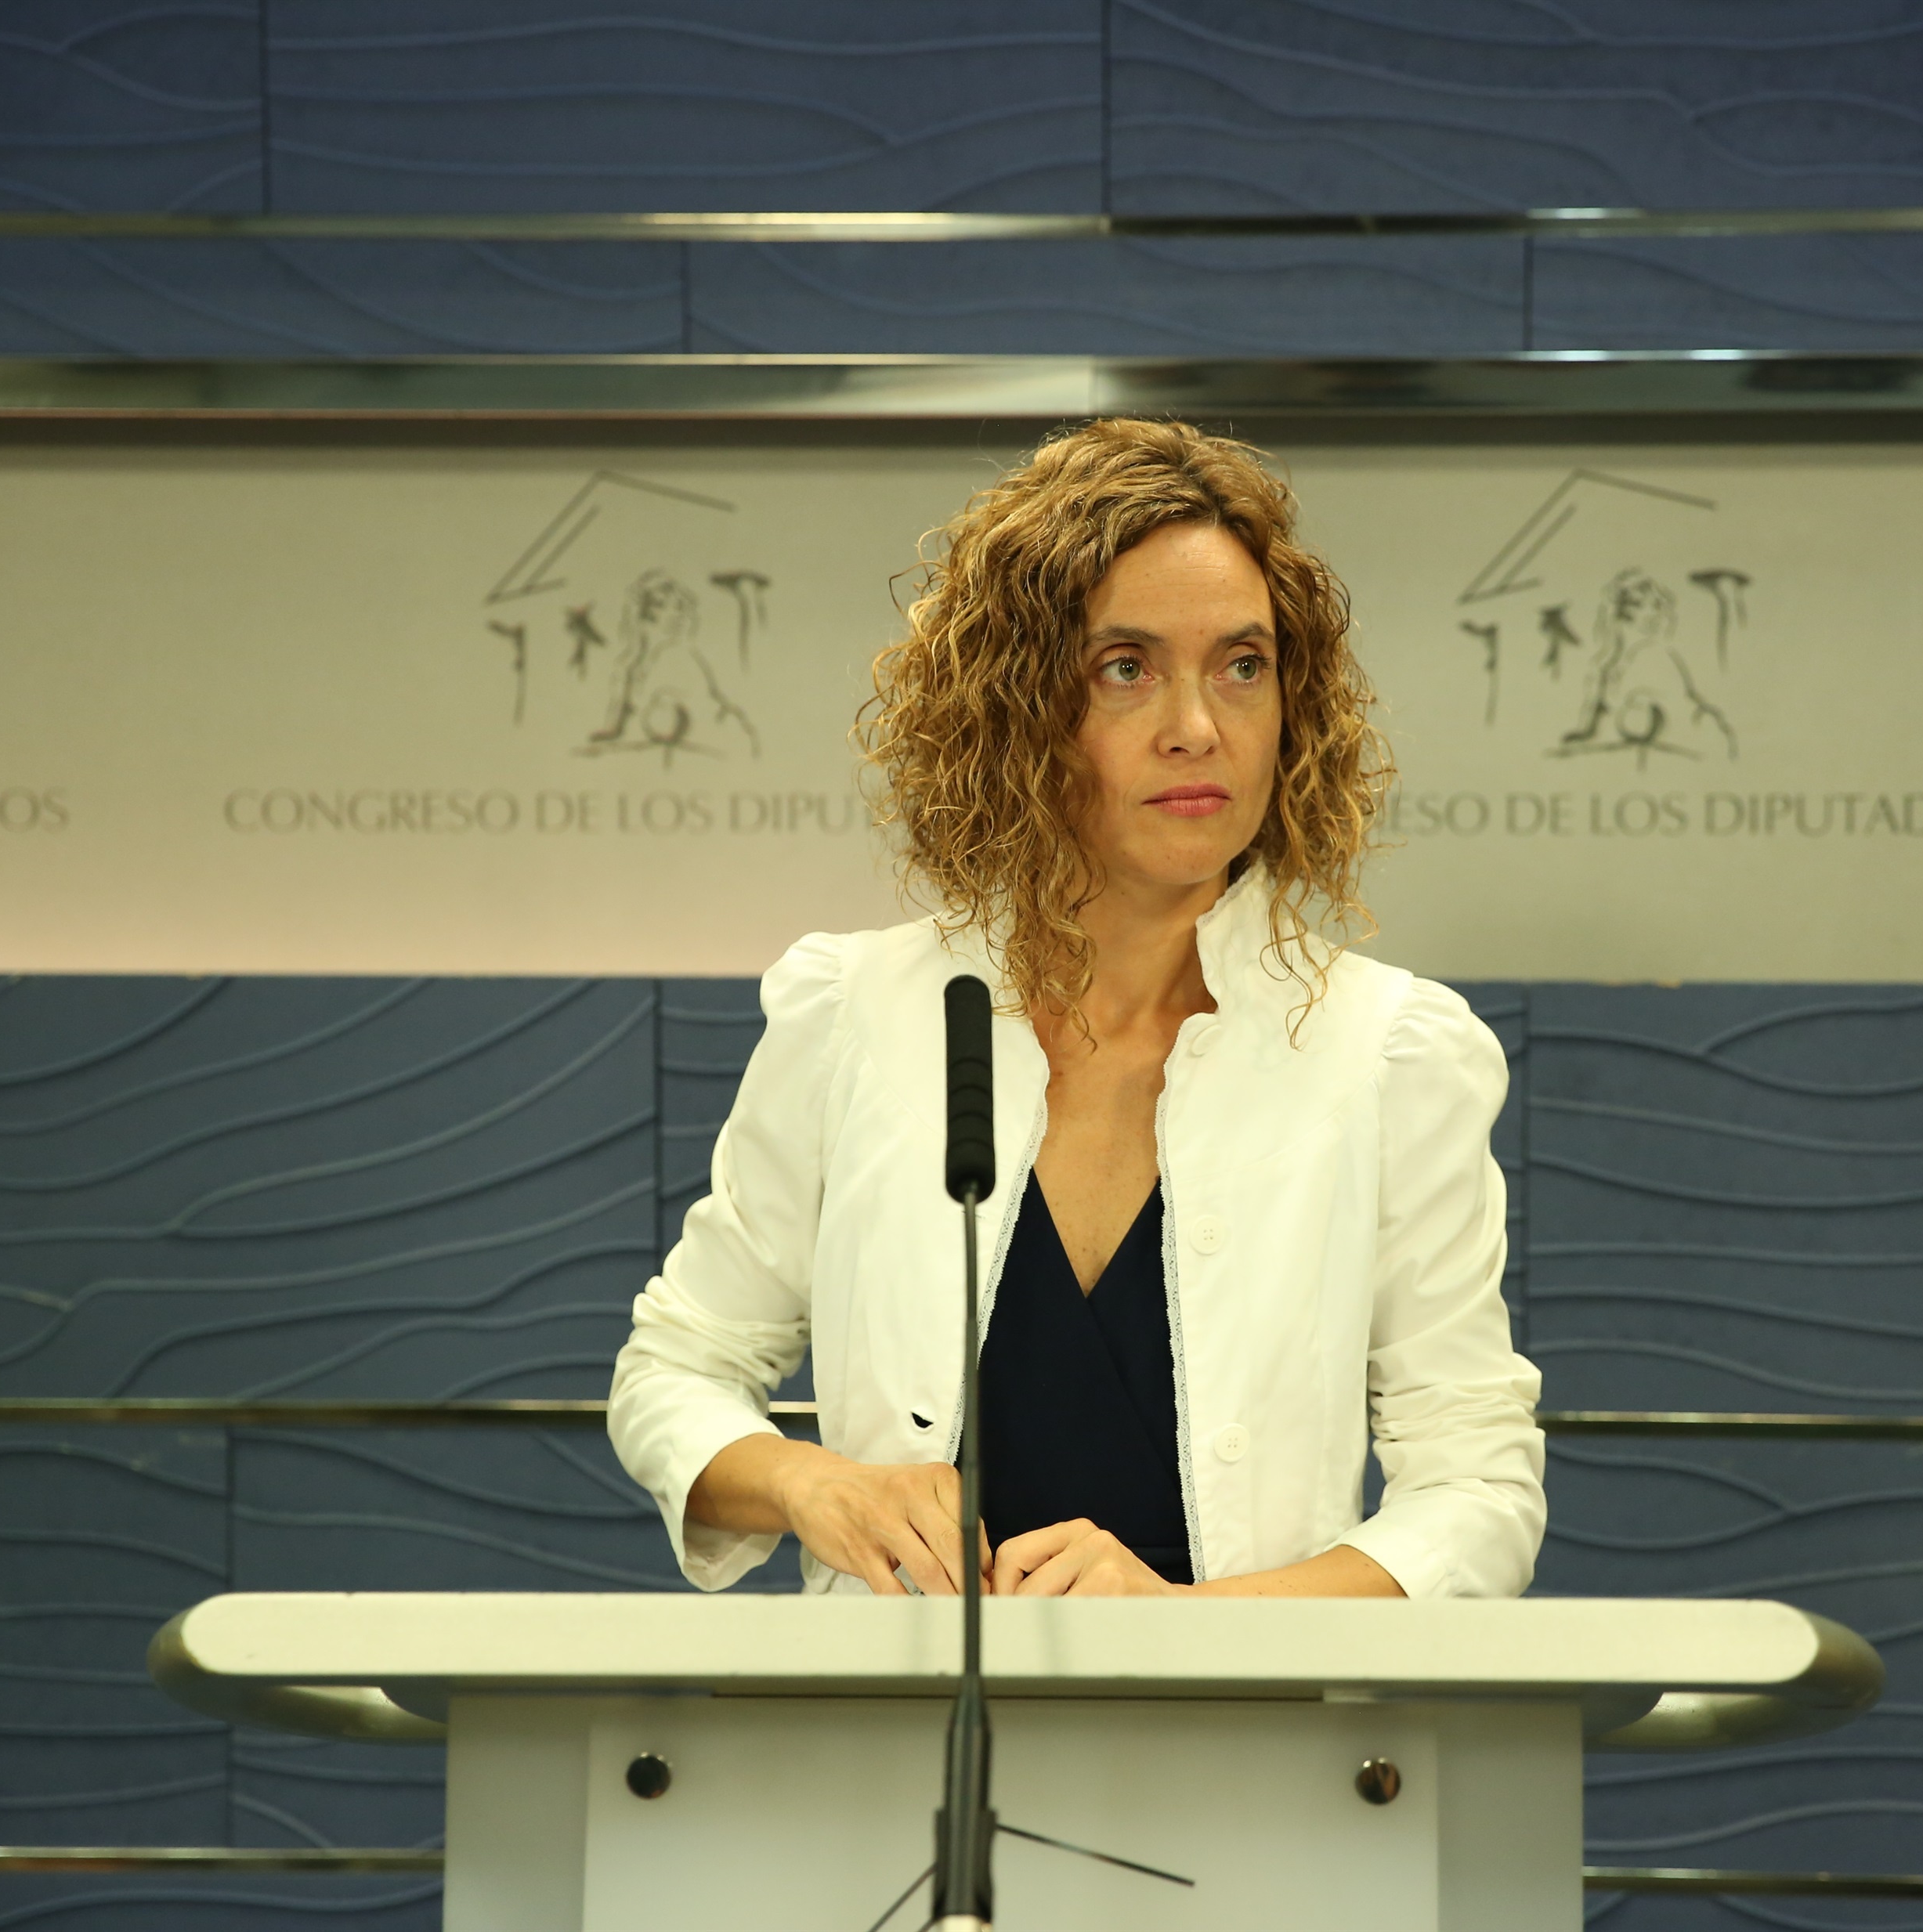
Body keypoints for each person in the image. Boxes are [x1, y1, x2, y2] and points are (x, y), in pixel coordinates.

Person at [608, 418, 1544, 1599]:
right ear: (1016, 709)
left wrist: (1188, 1629)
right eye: (1126, 668)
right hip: (893, 1710)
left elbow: (1479, 1493)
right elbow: (674, 1371)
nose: (1197, 727)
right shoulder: (857, 1012)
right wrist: (814, 1487)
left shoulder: (1391, 1053)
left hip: (1246, 1713)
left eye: (1243, 666)